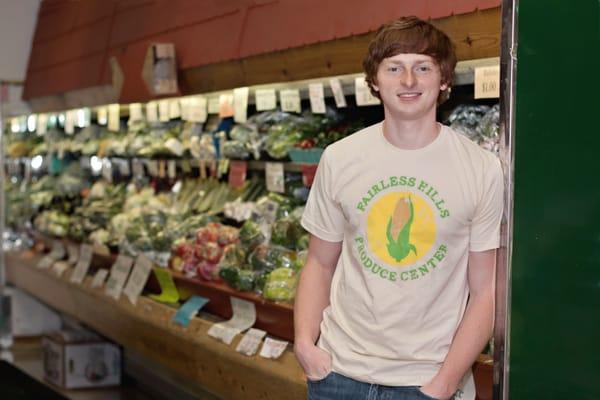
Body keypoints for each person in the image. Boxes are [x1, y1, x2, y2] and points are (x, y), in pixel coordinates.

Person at [294, 16, 503, 400]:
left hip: (428, 381)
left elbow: (486, 289)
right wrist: (307, 346)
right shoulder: (340, 158)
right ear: (375, 81)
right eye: (395, 68)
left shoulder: (481, 168)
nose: (408, 81)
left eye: (423, 67)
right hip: (339, 374)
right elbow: (319, 263)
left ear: (443, 81)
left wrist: (444, 382)